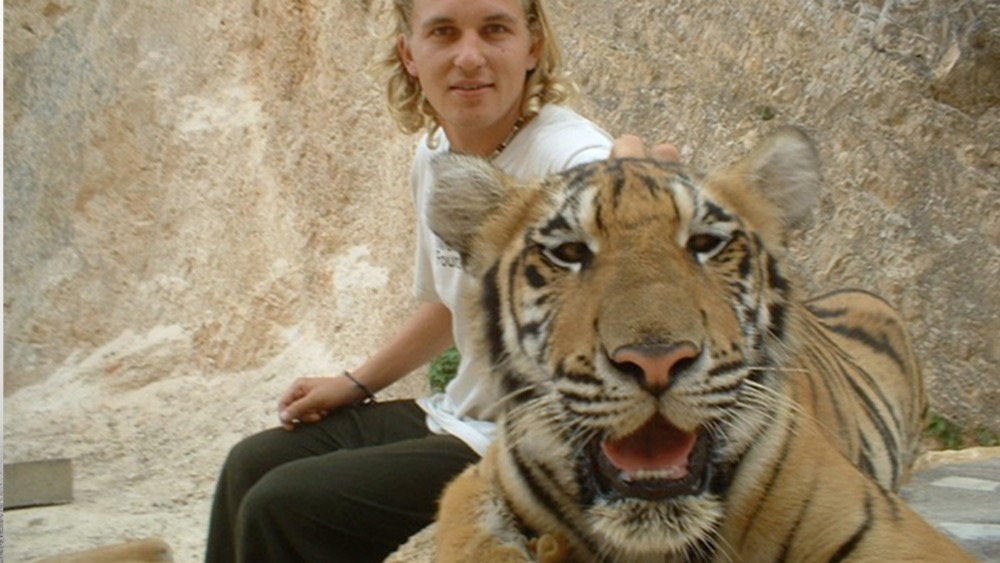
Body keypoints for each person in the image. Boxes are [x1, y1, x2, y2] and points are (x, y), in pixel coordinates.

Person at [204, 0, 618, 561]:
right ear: (410, 53)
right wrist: (355, 384)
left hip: (529, 443)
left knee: (284, 504)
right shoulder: (434, 156)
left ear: (533, 46)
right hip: (462, 411)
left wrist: (629, 176)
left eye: (495, 30)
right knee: (249, 464)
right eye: (443, 32)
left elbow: (620, 217)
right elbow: (452, 307)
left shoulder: (569, 156)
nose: (469, 57)